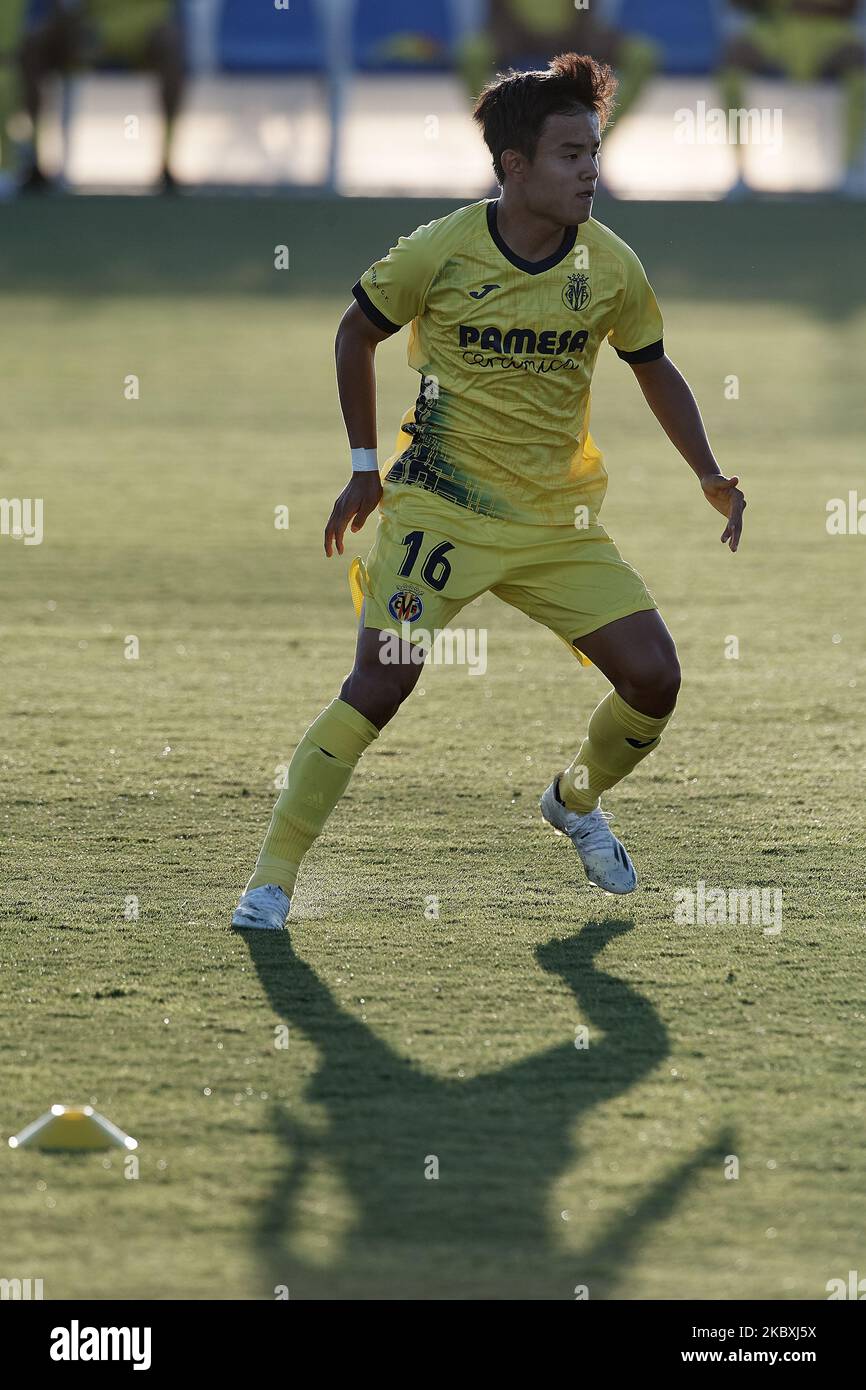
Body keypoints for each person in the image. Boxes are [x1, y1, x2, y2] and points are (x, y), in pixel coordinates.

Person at [232, 52, 746, 932]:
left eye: (594, 151)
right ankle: (271, 882)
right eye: (569, 154)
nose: (590, 170)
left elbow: (654, 368)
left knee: (655, 679)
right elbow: (354, 334)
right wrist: (364, 465)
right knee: (381, 683)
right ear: (514, 167)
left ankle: (575, 800)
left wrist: (707, 471)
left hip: (557, 520)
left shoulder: (611, 267)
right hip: (440, 507)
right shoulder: (443, 250)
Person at [18, 0, 183, 191]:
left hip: (143, 30)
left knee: (170, 44)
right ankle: (35, 161)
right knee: (33, 46)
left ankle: (167, 163)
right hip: (86, 28)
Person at [458, 0, 657, 141]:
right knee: (471, 54)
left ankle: (591, 146)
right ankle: (506, 147)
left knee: (641, 56)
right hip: (511, 32)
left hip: (579, 32)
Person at [722, 0, 866, 194]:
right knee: (734, 60)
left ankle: (852, 169)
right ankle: (739, 170)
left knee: (858, 67)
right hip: (774, 31)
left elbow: (848, 7)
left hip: (830, 33)